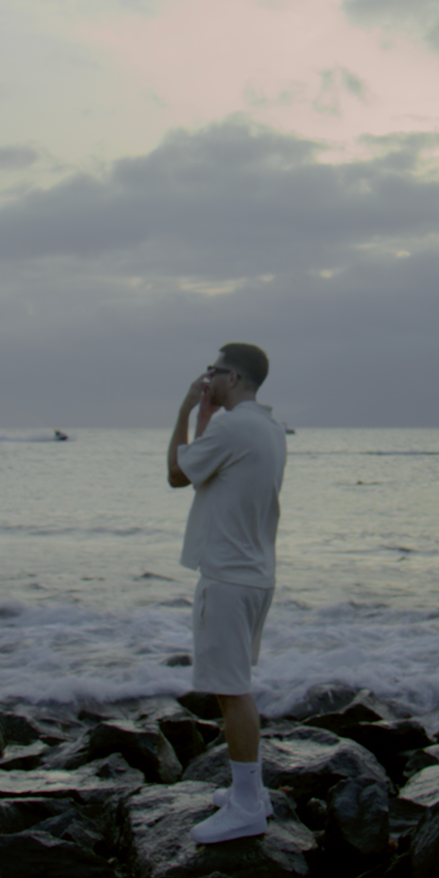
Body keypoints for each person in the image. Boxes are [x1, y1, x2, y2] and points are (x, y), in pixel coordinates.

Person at [167, 342, 286, 844]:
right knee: (234, 685)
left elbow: (177, 474)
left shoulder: (232, 427)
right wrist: (206, 418)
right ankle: (250, 792)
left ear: (232, 378)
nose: (207, 377)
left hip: (227, 578)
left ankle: (246, 807)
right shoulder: (267, 427)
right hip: (254, 574)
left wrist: (184, 412)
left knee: (233, 691)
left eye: (213, 370)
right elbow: (204, 473)